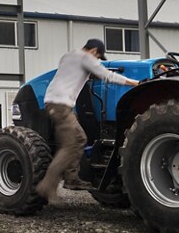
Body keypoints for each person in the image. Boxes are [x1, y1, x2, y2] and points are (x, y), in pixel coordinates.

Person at [35, 37, 139, 201]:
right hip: (60, 105)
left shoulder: (69, 56)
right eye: (98, 57)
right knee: (71, 144)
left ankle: (71, 178)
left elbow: (74, 74)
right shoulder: (86, 58)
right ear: (93, 51)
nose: (97, 60)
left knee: (78, 139)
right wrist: (134, 83)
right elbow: (107, 75)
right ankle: (48, 185)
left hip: (56, 104)